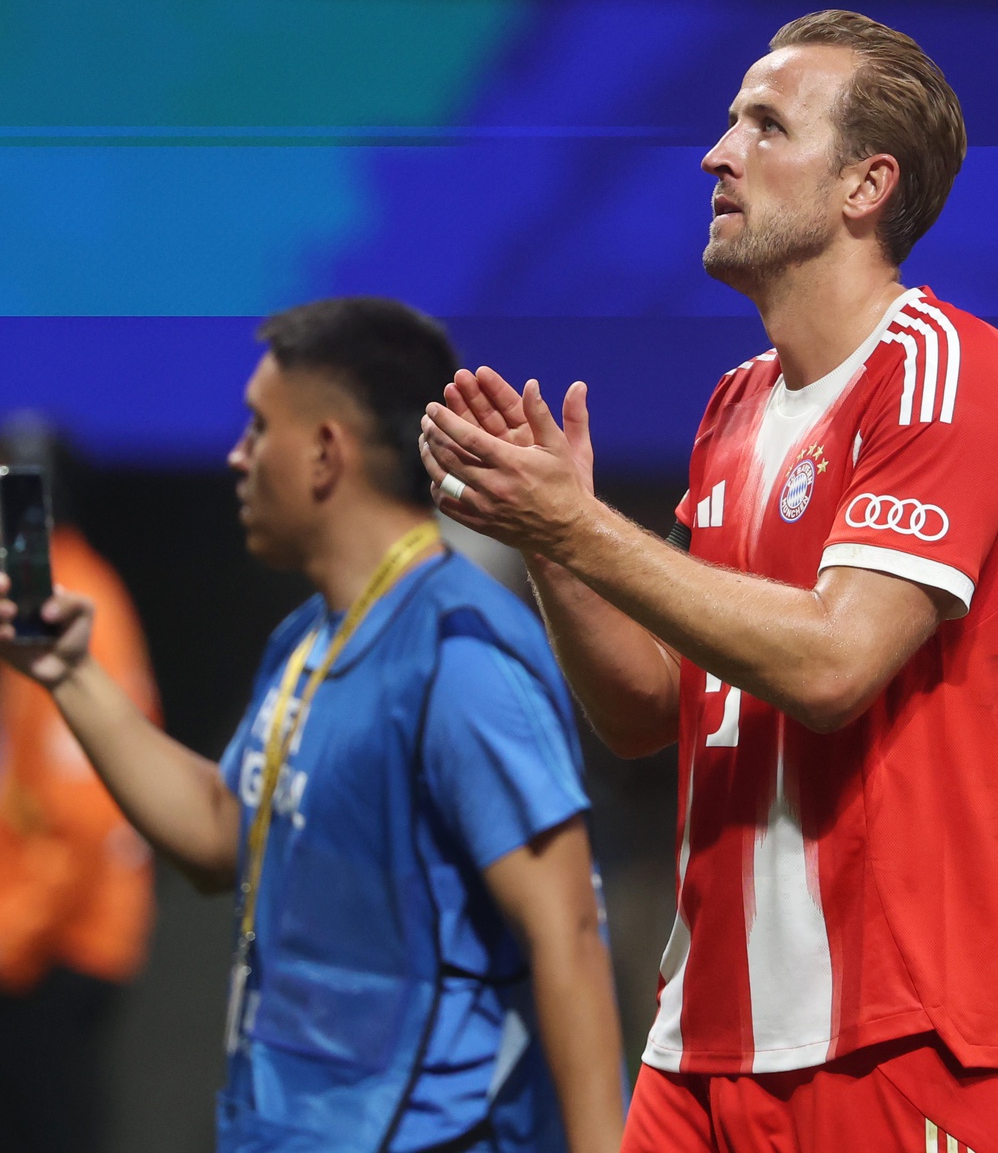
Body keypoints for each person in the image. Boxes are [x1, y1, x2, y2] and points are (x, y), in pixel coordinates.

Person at [417, 9, 998, 1152]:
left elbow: (832, 660)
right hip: (702, 1030)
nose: (717, 153)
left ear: (866, 185)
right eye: (726, 123)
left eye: (764, 124)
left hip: (890, 1030)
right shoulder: (734, 406)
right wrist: (555, 542)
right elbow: (649, 710)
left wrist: (581, 524)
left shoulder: (950, 370)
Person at [0, 298, 626, 1153]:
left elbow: (569, 935)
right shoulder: (305, 642)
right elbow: (224, 832)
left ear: (326, 452)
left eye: (258, 428)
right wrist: (71, 672)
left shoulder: (460, 653)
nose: (236, 454)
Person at [0, 426, 159, 1153]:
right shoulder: (45, 587)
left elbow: (78, 810)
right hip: (42, 933)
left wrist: (11, 939)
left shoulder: (63, 596)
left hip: (59, 943)